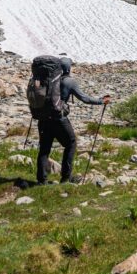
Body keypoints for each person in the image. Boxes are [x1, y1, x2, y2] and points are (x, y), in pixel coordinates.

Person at [36, 56, 111, 184]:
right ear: (68, 68)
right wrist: (101, 101)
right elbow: (85, 99)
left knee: (44, 148)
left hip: (43, 118)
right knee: (71, 143)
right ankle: (65, 178)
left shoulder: (47, 79)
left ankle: (41, 180)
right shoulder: (69, 82)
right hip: (59, 119)